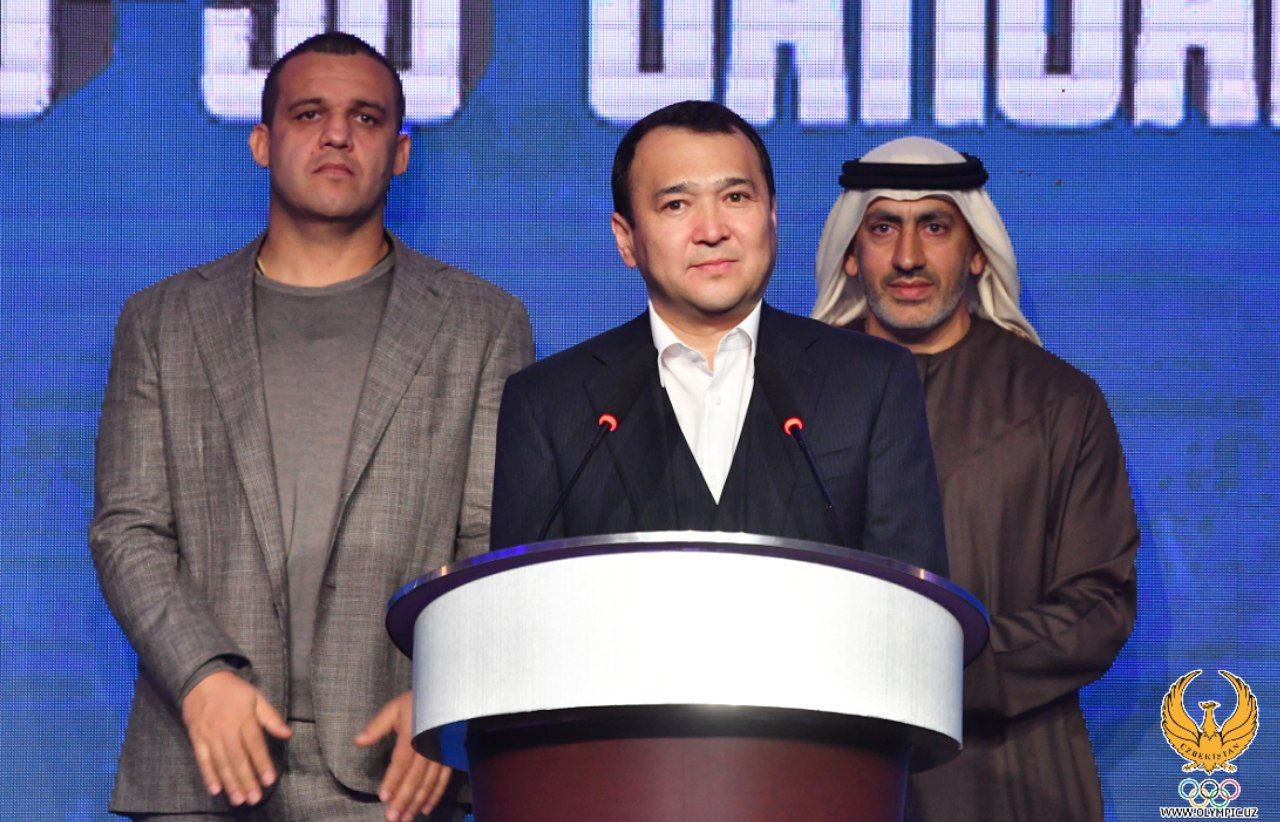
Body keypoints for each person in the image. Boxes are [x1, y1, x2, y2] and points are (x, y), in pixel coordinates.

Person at [89, 32, 533, 820]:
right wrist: (200, 676)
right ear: (262, 142)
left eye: (365, 118)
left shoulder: (482, 323)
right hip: (200, 759)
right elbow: (129, 530)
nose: (336, 135)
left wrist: (446, 693)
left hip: (395, 765)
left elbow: (491, 542)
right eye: (309, 114)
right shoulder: (162, 320)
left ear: (400, 154)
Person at [812, 136, 1139, 821]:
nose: (908, 257)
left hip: (1009, 770)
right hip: (830, 763)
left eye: (935, 226)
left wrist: (946, 668)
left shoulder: (1058, 402)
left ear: (977, 251)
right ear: (850, 254)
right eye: (883, 228)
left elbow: (1099, 604)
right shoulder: (791, 400)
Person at [490, 101, 946, 579]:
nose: (712, 231)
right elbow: (519, 604)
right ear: (626, 239)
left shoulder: (872, 381)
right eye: (676, 205)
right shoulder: (548, 403)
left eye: (736, 198)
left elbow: (912, 601)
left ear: (772, 214)